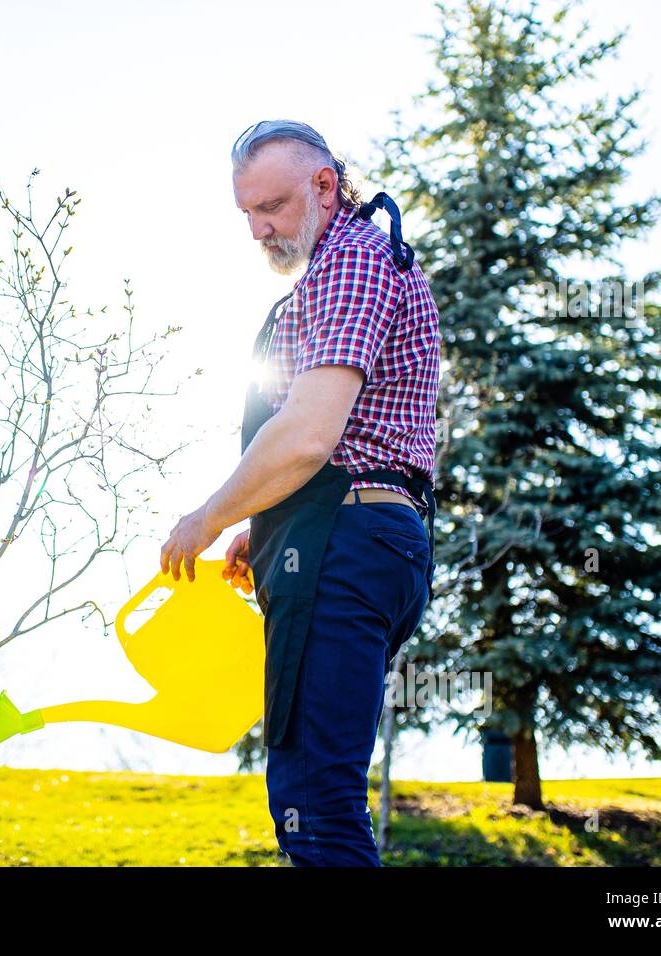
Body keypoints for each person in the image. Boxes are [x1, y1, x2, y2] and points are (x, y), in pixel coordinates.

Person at [158, 119, 441, 866]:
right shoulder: (351, 263)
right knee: (314, 799)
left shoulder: (350, 260)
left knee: (315, 806)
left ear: (324, 185)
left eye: (273, 206)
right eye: (246, 213)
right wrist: (274, 524)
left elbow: (311, 431)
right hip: (356, 537)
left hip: (346, 549)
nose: (258, 229)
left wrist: (210, 517)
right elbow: (351, 437)